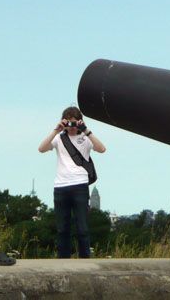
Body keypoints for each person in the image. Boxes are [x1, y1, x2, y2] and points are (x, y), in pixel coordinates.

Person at [38, 106, 106, 258]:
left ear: (80, 122)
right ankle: (63, 259)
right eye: (69, 123)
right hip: (61, 186)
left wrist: (86, 130)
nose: (72, 127)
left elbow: (101, 149)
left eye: (74, 123)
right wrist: (56, 130)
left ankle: (84, 258)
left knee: (82, 227)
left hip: (80, 185)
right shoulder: (59, 138)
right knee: (62, 228)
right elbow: (41, 149)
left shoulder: (85, 137)